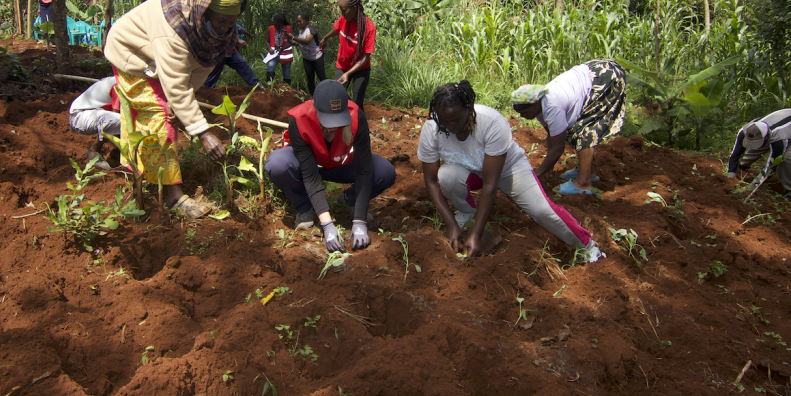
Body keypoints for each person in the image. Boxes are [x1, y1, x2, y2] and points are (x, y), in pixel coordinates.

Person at [104, 0, 245, 219]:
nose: (225, 29)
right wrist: (203, 133)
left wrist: (181, 98)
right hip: (133, 54)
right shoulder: (173, 28)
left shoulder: (217, 30)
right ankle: (173, 197)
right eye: (221, 21)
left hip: (161, 62)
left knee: (169, 110)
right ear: (205, 13)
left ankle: (141, 169)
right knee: (160, 116)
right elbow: (177, 86)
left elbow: (203, 65)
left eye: (231, 23)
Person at [418, 81, 603, 261]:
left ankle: (587, 245)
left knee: (542, 211)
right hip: (467, 170)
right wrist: (451, 224)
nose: (449, 126)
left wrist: (476, 234)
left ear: (469, 109)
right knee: (445, 176)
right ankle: (466, 211)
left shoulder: (491, 123)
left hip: (507, 168)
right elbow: (431, 181)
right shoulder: (432, 129)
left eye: (456, 120)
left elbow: (491, 184)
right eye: (444, 121)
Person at [264, 79, 397, 251]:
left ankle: (349, 200)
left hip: (340, 164)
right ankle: (305, 206)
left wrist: (360, 220)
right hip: (309, 168)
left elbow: (364, 170)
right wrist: (327, 225)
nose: (332, 127)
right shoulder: (299, 120)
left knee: (385, 171)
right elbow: (310, 176)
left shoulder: (356, 116)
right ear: (315, 108)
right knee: (277, 164)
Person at [513, 59, 627, 195]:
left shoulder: (552, 105)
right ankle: (587, 171)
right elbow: (552, 135)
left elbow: (558, 148)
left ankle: (583, 183)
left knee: (582, 131)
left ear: (534, 104)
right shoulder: (540, 107)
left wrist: (535, 177)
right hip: (594, 72)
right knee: (571, 131)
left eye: (523, 112)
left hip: (605, 76)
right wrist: (549, 166)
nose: (522, 116)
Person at [726, 108, 791, 200]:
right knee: (758, 145)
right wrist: (731, 175)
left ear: (767, 136)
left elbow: (772, 165)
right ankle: (743, 165)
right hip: (788, 119)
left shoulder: (780, 138)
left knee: (784, 158)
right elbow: (736, 153)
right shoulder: (745, 131)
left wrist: (752, 187)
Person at [318, 0, 376, 110]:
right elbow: (336, 29)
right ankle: (337, 127)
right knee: (335, 99)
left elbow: (366, 57)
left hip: (360, 69)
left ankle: (358, 128)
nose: (342, 14)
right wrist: (325, 38)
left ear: (354, 8)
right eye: (341, 11)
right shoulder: (344, 18)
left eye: (344, 11)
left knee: (356, 104)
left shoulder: (368, 28)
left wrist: (349, 74)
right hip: (343, 66)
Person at [69, 76, 122, 170]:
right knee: (121, 120)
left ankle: (118, 152)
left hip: (91, 115)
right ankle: (94, 149)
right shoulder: (119, 85)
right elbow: (116, 114)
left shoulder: (120, 80)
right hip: (80, 117)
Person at [204, 22, 261, 88]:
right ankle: (207, 91)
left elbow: (238, 28)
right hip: (218, 51)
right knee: (213, 73)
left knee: (243, 64)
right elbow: (228, 31)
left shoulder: (232, 19)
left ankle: (257, 85)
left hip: (230, 50)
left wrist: (249, 34)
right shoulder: (219, 19)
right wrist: (239, 40)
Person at [286, 12, 326, 95]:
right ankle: (313, 96)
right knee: (310, 78)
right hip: (307, 59)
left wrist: (293, 37)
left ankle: (329, 94)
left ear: (306, 21)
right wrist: (294, 42)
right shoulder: (301, 31)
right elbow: (301, 43)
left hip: (316, 58)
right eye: (297, 21)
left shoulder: (311, 29)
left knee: (321, 77)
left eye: (300, 21)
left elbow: (307, 41)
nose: (298, 23)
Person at [265, 13, 294, 84]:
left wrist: (282, 48)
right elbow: (267, 41)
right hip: (274, 52)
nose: (276, 27)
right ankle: (270, 85)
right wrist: (270, 48)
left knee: (286, 73)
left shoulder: (288, 28)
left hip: (285, 52)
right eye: (275, 25)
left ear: (282, 24)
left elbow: (290, 42)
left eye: (278, 26)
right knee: (270, 67)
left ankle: (286, 89)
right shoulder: (270, 28)